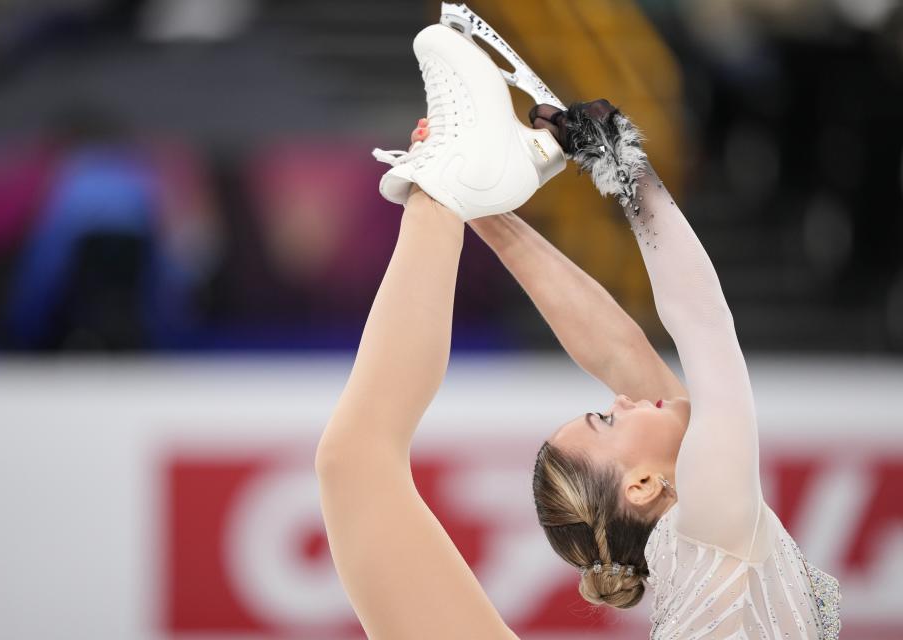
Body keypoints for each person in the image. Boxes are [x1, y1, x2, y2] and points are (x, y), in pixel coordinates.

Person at [317, 21, 840, 640]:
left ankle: (448, 185)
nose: (620, 397)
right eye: (606, 419)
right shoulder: (717, 526)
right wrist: (618, 159)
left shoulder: (707, 538)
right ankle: (448, 183)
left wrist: (499, 207)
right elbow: (698, 317)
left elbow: (626, 353)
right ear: (644, 484)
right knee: (353, 463)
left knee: (355, 462)